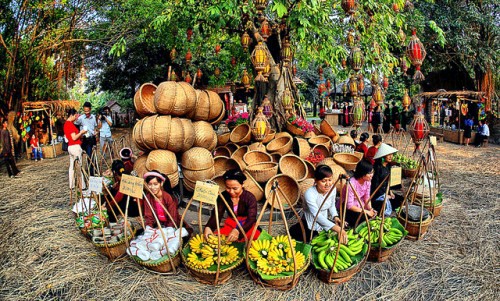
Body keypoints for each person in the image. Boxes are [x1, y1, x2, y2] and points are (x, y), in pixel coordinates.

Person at [290, 165, 348, 244]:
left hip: (324, 217)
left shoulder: (332, 189)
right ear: (316, 181)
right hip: (310, 219)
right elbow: (316, 215)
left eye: (330, 180)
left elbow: (331, 205)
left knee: (327, 235)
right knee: (308, 237)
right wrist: (337, 229)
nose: (328, 184)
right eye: (324, 181)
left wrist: (335, 216)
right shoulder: (310, 193)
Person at [204, 169, 260, 242]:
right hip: (232, 222)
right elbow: (217, 213)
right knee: (220, 237)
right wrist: (209, 227)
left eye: (235, 188)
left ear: (242, 185)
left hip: (246, 223)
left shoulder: (250, 198)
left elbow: (251, 218)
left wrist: (238, 231)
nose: (231, 191)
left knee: (253, 236)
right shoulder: (224, 196)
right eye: (228, 188)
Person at [142, 171, 192, 235]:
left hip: (172, 225)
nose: (152, 187)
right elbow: (148, 216)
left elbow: (173, 217)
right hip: (157, 224)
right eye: (149, 184)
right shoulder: (148, 198)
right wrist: (149, 228)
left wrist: (168, 229)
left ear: (161, 183)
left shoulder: (168, 198)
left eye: (155, 184)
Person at [338, 160, 376, 227]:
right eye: (369, 173)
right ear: (362, 173)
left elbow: (366, 197)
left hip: (359, 203)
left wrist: (370, 209)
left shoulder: (368, 182)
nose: (372, 175)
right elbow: (349, 206)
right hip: (347, 206)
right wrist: (366, 212)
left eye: (372, 172)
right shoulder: (351, 184)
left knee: (372, 214)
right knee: (361, 219)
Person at [371, 143, 403, 216]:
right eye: (389, 154)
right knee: (382, 206)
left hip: (386, 191)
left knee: (400, 199)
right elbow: (375, 186)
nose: (391, 156)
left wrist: (390, 192)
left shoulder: (388, 166)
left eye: (392, 154)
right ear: (383, 155)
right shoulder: (377, 168)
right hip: (377, 195)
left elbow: (387, 182)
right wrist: (384, 195)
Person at [64, 108, 87, 189]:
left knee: (72, 167)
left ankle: (72, 184)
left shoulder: (67, 124)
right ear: (71, 115)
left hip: (70, 147)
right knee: (79, 167)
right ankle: (82, 185)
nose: (76, 117)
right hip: (75, 147)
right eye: (75, 116)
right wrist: (81, 132)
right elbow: (73, 138)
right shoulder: (69, 124)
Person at [75, 102, 97, 175]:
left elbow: (95, 127)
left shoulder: (93, 117)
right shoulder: (81, 118)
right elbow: (75, 125)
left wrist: (96, 133)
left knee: (90, 155)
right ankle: (80, 172)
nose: (86, 113)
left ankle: (91, 173)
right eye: (85, 111)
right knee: (80, 155)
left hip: (91, 138)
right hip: (83, 139)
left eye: (87, 111)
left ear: (90, 110)